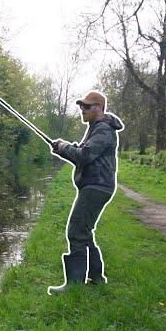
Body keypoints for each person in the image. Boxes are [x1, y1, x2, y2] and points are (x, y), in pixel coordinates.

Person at [48, 90, 124, 295]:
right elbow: (83, 157)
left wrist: (65, 147)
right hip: (95, 185)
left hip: (96, 187)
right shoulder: (96, 128)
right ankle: (96, 278)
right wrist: (61, 149)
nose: (82, 109)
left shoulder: (103, 129)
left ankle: (74, 285)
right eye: (81, 106)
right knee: (85, 233)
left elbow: (86, 155)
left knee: (76, 231)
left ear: (99, 107)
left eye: (86, 106)